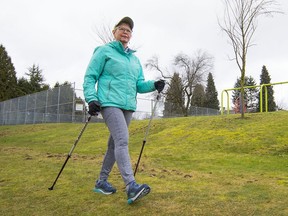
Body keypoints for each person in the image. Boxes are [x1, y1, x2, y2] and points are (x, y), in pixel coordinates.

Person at [83, 16, 165, 204]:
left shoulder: (134, 60)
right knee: (122, 140)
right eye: (122, 28)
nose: (125, 32)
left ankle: (101, 182)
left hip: (127, 105)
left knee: (114, 145)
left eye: (128, 30)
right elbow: (90, 76)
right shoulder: (104, 51)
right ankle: (131, 186)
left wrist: (154, 84)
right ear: (114, 32)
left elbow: (139, 85)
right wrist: (91, 98)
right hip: (109, 102)